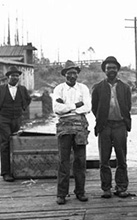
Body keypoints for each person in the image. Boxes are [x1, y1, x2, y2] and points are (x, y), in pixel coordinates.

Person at [91, 56, 132, 199]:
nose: (111, 70)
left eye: (114, 68)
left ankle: (121, 187)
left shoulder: (125, 87)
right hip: (105, 126)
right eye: (109, 68)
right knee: (104, 159)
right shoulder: (98, 87)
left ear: (117, 70)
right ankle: (106, 188)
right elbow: (94, 107)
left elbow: (128, 106)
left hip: (120, 125)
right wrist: (101, 120)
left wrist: (124, 121)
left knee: (122, 159)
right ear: (105, 70)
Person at [53, 60, 91, 205]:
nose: (72, 75)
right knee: (63, 160)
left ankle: (80, 192)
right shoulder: (59, 89)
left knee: (80, 160)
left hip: (80, 127)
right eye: (69, 73)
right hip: (64, 128)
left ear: (77, 74)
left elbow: (87, 107)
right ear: (65, 75)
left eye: (74, 73)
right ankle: (61, 194)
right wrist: (75, 106)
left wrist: (67, 108)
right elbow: (57, 109)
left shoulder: (83, 88)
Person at [0, 66, 31, 182]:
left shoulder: (22, 89)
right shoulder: (1, 89)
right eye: (12, 76)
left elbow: (28, 100)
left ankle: (16, 169)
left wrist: (22, 108)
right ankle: (5, 172)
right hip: (3, 119)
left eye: (17, 76)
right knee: (5, 143)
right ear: (8, 77)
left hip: (17, 119)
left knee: (16, 143)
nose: (15, 78)